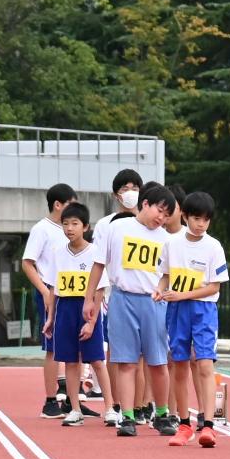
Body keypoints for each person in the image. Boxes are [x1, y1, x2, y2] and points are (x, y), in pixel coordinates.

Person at [87, 183, 178, 437]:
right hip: (122, 298)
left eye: (166, 215)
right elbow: (98, 265)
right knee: (125, 362)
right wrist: (89, 300)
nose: (161, 218)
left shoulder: (167, 240)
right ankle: (126, 416)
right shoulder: (117, 228)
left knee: (158, 362)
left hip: (154, 303)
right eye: (159, 210)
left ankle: (161, 414)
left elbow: (171, 275)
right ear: (145, 204)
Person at [162, 189, 228, 446]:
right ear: (185, 216)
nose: (201, 224)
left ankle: (208, 426)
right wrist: (161, 289)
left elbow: (214, 287)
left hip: (203, 311)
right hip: (177, 312)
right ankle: (183, 424)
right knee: (179, 366)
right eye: (196, 218)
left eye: (206, 219)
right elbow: (164, 275)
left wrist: (183, 294)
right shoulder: (172, 244)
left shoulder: (213, 247)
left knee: (204, 365)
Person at [44, 202, 104, 426]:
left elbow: (99, 289)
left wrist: (93, 319)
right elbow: (53, 287)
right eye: (65, 224)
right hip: (65, 309)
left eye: (75, 224)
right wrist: (50, 317)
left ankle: (111, 408)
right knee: (70, 361)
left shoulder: (95, 253)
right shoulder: (58, 253)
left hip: (87, 310)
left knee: (97, 360)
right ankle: (75, 408)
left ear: (85, 226)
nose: (69, 228)